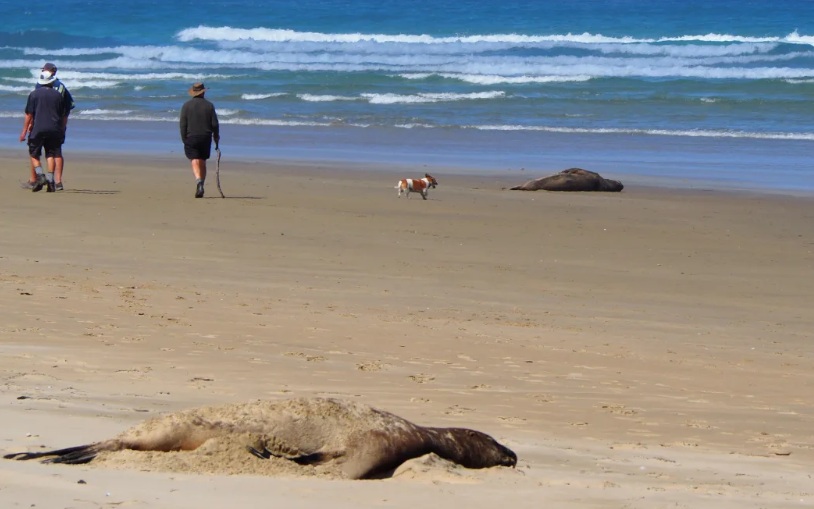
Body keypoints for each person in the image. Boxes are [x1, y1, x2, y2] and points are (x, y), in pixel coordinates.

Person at [23, 63, 75, 191]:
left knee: (35, 151)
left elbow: (34, 109)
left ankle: (34, 178)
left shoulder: (39, 86)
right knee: (55, 152)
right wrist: (63, 126)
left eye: (43, 69)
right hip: (56, 125)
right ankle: (57, 181)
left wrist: (29, 126)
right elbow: (68, 107)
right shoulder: (62, 88)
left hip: (40, 124)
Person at [179, 82, 219, 198]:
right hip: (205, 136)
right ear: (203, 92)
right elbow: (215, 124)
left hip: (191, 136)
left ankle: (199, 182)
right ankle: (202, 183)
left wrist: (184, 139)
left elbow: (183, 124)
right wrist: (216, 137)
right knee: (202, 161)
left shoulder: (186, 106)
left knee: (194, 160)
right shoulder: (209, 105)